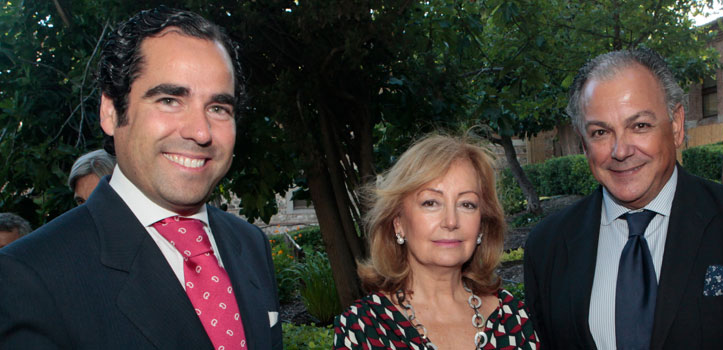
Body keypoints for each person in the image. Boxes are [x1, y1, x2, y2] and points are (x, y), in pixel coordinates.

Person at [0, 7, 282, 349]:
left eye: (218, 108)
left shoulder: (250, 244)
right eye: (169, 100)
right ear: (110, 111)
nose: (201, 131)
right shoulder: (29, 276)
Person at [523, 49, 723, 349]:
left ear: (676, 125)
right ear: (583, 143)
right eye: (601, 132)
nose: (621, 150)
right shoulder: (547, 247)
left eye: (639, 126)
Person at [334, 135, 540, 349]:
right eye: (431, 202)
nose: (451, 221)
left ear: (482, 225)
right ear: (398, 223)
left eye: (467, 204)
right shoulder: (363, 329)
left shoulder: (513, 320)